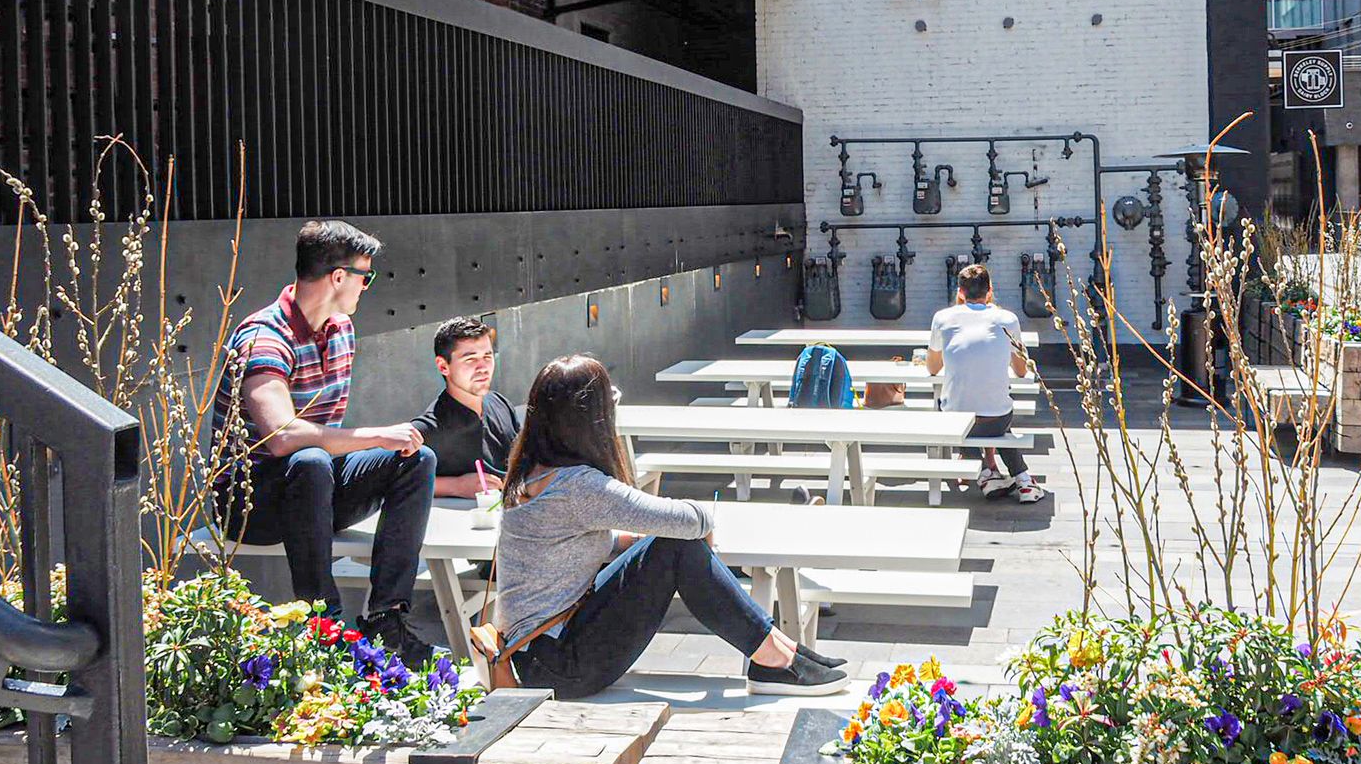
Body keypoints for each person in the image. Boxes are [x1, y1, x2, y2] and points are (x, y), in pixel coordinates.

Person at [495, 354, 850, 699]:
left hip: (536, 652)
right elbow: (690, 520)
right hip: (560, 665)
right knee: (677, 545)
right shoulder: (578, 486)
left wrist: (635, 542)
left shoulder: (532, 472)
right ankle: (773, 656)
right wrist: (689, 529)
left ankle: (779, 649)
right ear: (591, 419)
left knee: (669, 545)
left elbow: (568, 546)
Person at [212, 220, 436, 665]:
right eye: (365, 277)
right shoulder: (265, 336)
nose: (366, 288)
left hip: (313, 488)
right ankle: (325, 628)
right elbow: (281, 437)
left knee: (416, 457)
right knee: (311, 459)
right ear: (339, 277)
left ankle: (385, 617)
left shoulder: (341, 330)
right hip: (248, 503)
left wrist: (386, 443)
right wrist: (374, 434)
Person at [927, 264, 1047, 504]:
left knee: (955, 413)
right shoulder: (1007, 319)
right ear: (990, 291)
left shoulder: (942, 318)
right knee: (995, 412)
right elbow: (1022, 371)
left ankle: (986, 474)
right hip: (997, 419)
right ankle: (1022, 479)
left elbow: (932, 368)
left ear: (960, 292)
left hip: (957, 421)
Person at [411, 316, 520, 498]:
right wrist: (455, 486)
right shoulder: (427, 428)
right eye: (470, 359)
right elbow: (387, 481)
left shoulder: (500, 404)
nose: (483, 367)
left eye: (487, 356)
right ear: (443, 366)